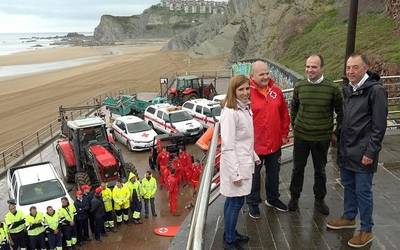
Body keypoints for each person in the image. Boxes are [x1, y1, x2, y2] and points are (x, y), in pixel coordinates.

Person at [326, 53, 388, 248]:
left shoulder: (375, 91)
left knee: (363, 191)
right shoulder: (349, 90)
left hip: (363, 153)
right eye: (348, 68)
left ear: (366, 68)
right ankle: (349, 217)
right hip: (346, 150)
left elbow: (379, 126)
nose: (350, 71)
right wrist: (337, 134)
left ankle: (366, 230)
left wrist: (371, 152)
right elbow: (346, 119)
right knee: (349, 186)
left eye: (355, 67)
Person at [288, 54, 343, 215]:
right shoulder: (300, 86)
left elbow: (341, 112)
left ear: (321, 68)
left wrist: (335, 133)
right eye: (307, 66)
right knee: (297, 169)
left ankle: (320, 200)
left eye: (314, 67)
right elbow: (294, 108)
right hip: (301, 137)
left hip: (321, 138)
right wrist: (295, 126)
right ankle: (294, 198)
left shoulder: (332, 89)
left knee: (320, 170)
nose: (309, 70)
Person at [220, 75, 260, 249]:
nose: (245, 92)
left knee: (232, 201)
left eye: (246, 88)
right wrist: (235, 173)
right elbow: (228, 146)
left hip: (242, 161)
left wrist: (254, 155)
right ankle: (229, 240)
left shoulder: (244, 108)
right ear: (233, 91)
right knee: (236, 203)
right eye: (240, 89)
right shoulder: (231, 112)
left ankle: (230, 232)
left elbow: (244, 140)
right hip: (235, 165)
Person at [246, 61, 291, 218]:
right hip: (254, 147)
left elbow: (284, 114)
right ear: (252, 76)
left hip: (274, 143)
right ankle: (253, 203)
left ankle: (273, 199)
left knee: (274, 174)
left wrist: (284, 134)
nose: (265, 77)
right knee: (254, 177)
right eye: (261, 74)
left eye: (267, 73)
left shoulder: (276, 91)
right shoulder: (246, 93)